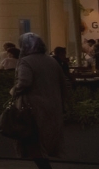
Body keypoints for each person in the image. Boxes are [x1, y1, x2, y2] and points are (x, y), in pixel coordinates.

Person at [14, 33, 71, 168]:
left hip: (33, 108)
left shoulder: (26, 61)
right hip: (53, 106)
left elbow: (24, 82)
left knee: (34, 142)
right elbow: (64, 83)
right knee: (45, 141)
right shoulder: (51, 60)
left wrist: (14, 91)